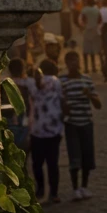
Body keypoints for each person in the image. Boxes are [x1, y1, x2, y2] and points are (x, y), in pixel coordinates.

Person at [60, 49, 101, 200]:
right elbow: (59, 103)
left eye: (76, 60)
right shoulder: (62, 81)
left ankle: (84, 186)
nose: (74, 64)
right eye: (71, 61)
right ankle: (75, 188)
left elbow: (98, 105)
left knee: (87, 155)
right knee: (74, 155)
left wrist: (89, 95)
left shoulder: (87, 80)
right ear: (67, 64)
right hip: (71, 123)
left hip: (86, 122)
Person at [27, 59, 64, 204]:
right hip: (54, 128)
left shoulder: (33, 83)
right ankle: (54, 193)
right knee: (53, 163)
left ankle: (40, 189)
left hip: (37, 129)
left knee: (37, 163)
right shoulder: (56, 82)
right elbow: (61, 100)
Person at [3, 57, 31, 153]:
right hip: (24, 121)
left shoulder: (5, 84)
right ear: (23, 69)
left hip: (8, 123)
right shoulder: (28, 84)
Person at [78, 0, 101, 74]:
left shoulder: (84, 10)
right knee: (92, 49)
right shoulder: (96, 9)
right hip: (95, 30)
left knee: (85, 49)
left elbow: (81, 20)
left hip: (87, 30)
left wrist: (83, 26)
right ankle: (94, 67)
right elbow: (100, 20)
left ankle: (86, 68)